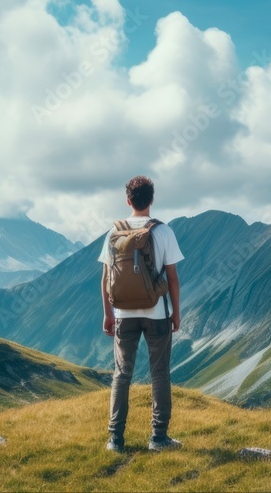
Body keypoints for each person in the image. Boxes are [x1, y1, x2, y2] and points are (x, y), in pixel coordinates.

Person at [98, 175, 184, 453]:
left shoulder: (114, 232)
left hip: (123, 312)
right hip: (156, 311)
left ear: (128, 200)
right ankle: (158, 438)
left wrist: (108, 314)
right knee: (159, 374)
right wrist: (176, 313)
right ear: (152, 200)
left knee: (122, 374)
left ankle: (115, 439)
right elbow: (172, 278)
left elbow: (106, 277)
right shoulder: (163, 231)